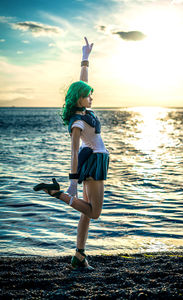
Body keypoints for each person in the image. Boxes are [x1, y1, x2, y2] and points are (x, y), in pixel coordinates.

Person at [33, 37, 109, 271]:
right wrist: (71, 184)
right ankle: (57, 194)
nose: (91, 97)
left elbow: (82, 83)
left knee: (85, 212)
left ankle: (79, 255)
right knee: (94, 213)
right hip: (93, 161)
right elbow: (74, 151)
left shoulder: (83, 110)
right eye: (87, 96)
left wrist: (85, 59)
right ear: (78, 99)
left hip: (94, 159)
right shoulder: (77, 122)